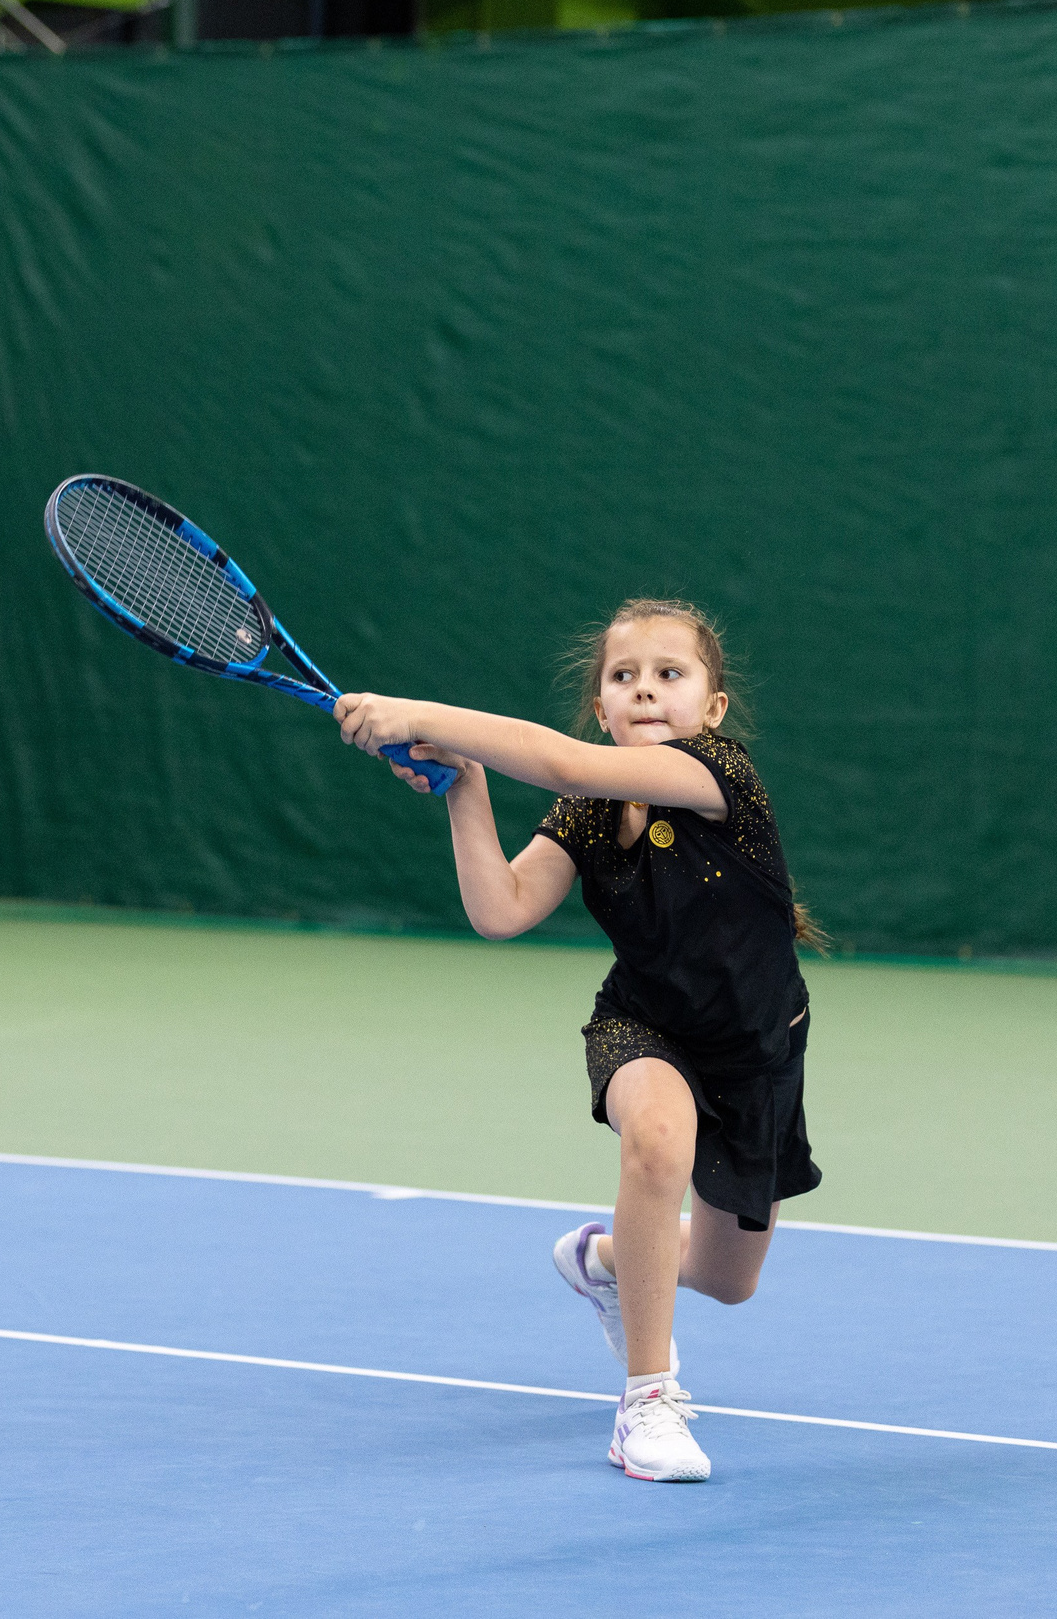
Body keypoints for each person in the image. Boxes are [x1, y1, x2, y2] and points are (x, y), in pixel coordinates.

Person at [334, 598, 823, 1484]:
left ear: (711, 708)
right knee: (658, 1139)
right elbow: (502, 909)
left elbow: (558, 759)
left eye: (670, 676)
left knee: (726, 1280)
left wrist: (420, 717)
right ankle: (648, 1400)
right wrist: (466, 789)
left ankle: (602, 1260)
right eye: (623, 678)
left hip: (756, 1051)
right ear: (602, 706)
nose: (645, 693)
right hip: (644, 1023)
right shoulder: (586, 814)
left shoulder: (720, 775)